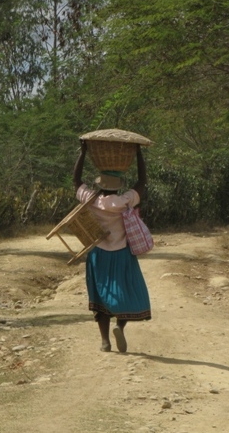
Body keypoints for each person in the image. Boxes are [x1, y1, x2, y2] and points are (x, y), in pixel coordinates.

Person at [73, 140, 151, 353]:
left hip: (99, 254)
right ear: (118, 185)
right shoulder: (125, 201)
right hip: (122, 253)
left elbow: (76, 180)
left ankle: (105, 341)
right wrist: (138, 153)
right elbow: (142, 180)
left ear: (101, 184)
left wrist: (84, 152)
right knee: (125, 291)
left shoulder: (91, 199)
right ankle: (120, 326)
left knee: (101, 295)